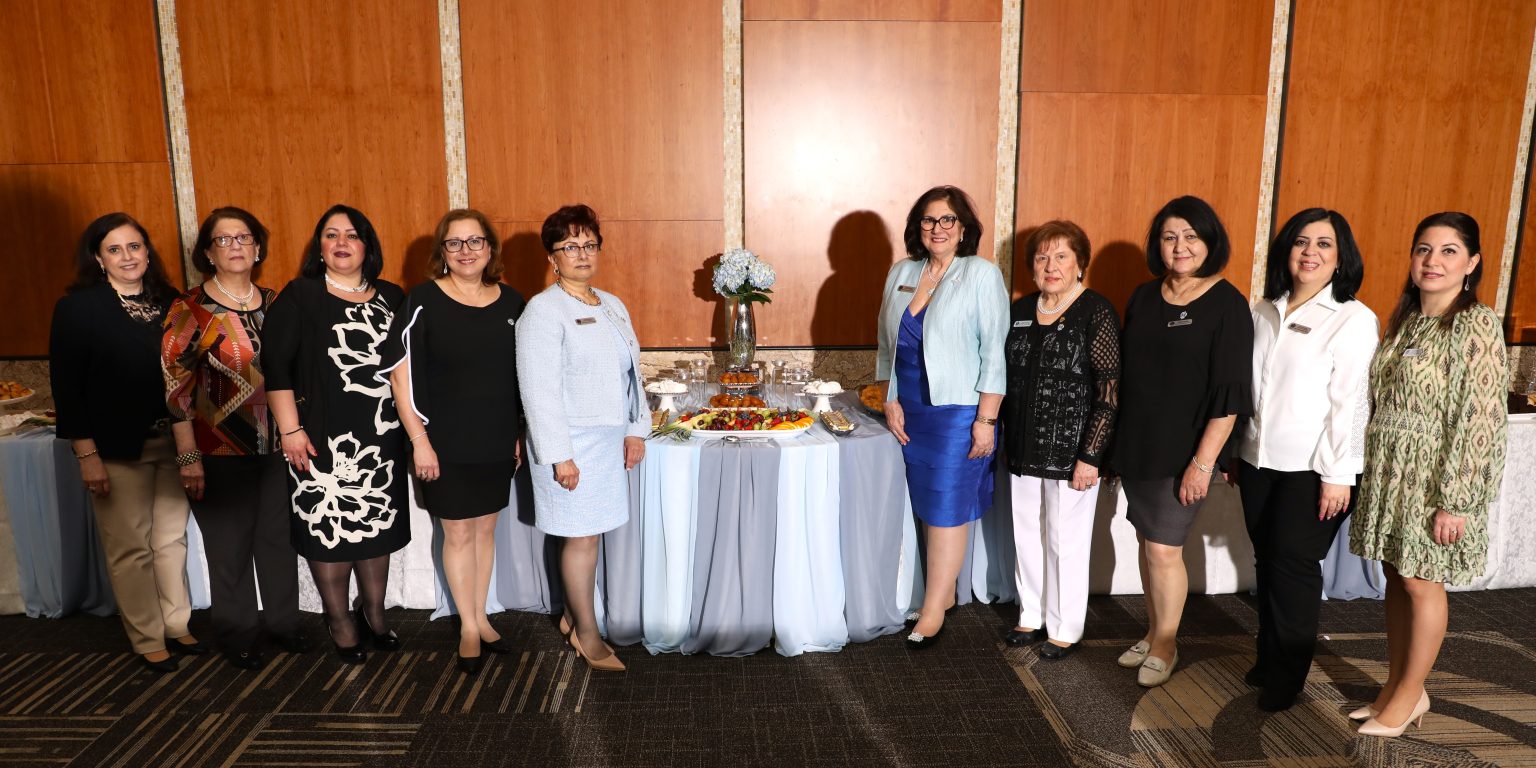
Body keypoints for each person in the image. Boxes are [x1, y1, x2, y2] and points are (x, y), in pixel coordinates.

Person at [1349, 212, 1506, 737]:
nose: (1432, 261)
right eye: (1424, 250)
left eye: (1448, 251)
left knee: (1421, 582)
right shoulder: (1408, 319)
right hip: (1392, 472)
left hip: (1434, 478)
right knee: (1397, 576)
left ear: (1472, 263)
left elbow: (1479, 418)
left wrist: (1455, 500)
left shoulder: (1475, 323)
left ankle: (1411, 693)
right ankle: (1398, 687)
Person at [49, 213, 205, 674]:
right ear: (99, 259)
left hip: (172, 442)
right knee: (131, 548)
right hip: (115, 449)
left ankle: (176, 623)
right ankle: (147, 636)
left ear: (147, 252)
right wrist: (87, 455)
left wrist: (189, 449)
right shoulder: (78, 309)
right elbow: (67, 390)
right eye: (114, 250)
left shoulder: (171, 302)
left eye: (134, 246)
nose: (127, 257)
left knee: (171, 540)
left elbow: (186, 380)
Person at [1110, 195, 1253, 687]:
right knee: (1147, 542)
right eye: (1170, 236)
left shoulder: (1227, 303)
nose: (1180, 246)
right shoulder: (1144, 297)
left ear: (1210, 242)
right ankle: (1153, 632)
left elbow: (1230, 396)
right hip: (1139, 444)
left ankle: (1167, 645)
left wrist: (1203, 463)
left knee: (1165, 549)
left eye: (1191, 236)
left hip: (1185, 451)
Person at [1238, 208, 1377, 711]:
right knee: (1268, 562)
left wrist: (1340, 475)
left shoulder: (1352, 318)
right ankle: (1268, 657)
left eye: (1323, 244)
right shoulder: (1264, 309)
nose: (1310, 252)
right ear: (1286, 251)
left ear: (1341, 258)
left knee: (1294, 568)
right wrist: (1237, 451)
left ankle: (1287, 676)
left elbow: (1352, 404)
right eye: (1301, 242)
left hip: (1315, 470)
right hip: (1257, 461)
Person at [162, 207, 308, 671]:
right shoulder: (190, 309)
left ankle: (284, 623)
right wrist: (187, 456)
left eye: (243, 237)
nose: (235, 246)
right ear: (208, 252)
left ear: (258, 247)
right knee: (229, 548)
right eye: (223, 240)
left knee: (278, 540)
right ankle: (239, 632)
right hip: (216, 449)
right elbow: (174, 388)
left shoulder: (277, 302)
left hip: (277, 447)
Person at [264, 204, 410, 665]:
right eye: (331, 235)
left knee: (375, 528)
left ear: (368, 245)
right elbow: (276, 369)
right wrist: (290, 430)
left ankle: (374, 613)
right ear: (319, 247)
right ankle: (339, 619)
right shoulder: (301, 295)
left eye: (352, 234)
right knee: (329, 530)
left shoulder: (393, 296)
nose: (341, 243)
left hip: (382, 434)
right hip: (319, 437)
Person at [382, 208, 525, 675]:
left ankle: (481, 616)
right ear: (442, 251)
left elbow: (522, 376)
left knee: (485, 530)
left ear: (490, 248)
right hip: (442, 441)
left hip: (496, 438)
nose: (466, 251)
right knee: (458, 532)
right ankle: (467, 625)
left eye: (475, 241)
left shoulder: (513, 303)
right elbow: (399, 379)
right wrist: (419, 441)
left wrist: (519, 433)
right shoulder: (423, 300)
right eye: (455, 243)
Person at [875, 185, 1008, 649]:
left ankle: (933, 610)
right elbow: (885, 346)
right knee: (926, 505)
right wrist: (889, 399)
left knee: (947, 507)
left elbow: (994, 354)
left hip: (958, 411)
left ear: (963, 228)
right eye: (929, 220)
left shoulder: (981, 274)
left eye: (947, 219)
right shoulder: (902, 272)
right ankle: (944, 592)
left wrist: (986, 420)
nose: (938, 228)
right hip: (910, 409)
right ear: (918, 227)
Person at [517, 204, 648, 673]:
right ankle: (588, 635)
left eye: (589, 244)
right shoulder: (542, 310)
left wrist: (636, 429)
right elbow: (538, 390)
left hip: (608, 441)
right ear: (552, 257)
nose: (582, 253)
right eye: (570, 246)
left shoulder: (611, 304)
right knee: (582, 538)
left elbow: (632, 376)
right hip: (569, 444)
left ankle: (574, 618)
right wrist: (559, 456)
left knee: (590, 534)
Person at [1001, 220, 1119, 659]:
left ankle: (1065, 626)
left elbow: (1109, 392)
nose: (1051, 266)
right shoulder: (1019, 310)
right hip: (1023, 446)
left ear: (1080, 264)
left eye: (1061, 256)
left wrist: (1092, 455)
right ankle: (1031, 614)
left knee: (1064, 541)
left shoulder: (1095, 311)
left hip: (1073, 452)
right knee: (1026, 533)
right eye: (1042, 257)